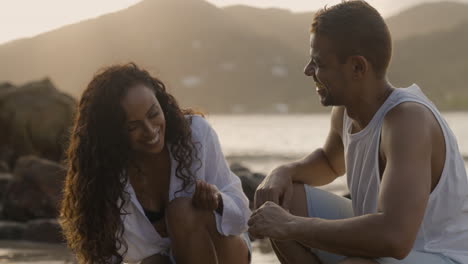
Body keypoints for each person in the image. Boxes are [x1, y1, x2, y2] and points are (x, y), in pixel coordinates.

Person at [248, 1, 468, 264]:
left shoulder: (407, 121)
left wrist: (290, 226)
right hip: (395, 246)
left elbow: (394, 238)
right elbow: (330, 163)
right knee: (286, 200)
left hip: (442, 254)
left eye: (318, 63)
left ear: (357, 68)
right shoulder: (346, 111)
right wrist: (282, 172)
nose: (308, 71)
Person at [59, 63, 251, 264]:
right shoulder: (104, 175)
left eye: (153, 114)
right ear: (113, 132)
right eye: (133, 126)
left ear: (162, 104)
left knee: (183, 211)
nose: (150, 131)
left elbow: (242, 217)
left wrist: (218, 201)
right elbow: (101, 255)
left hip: (225, 250)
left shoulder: (196, 134)